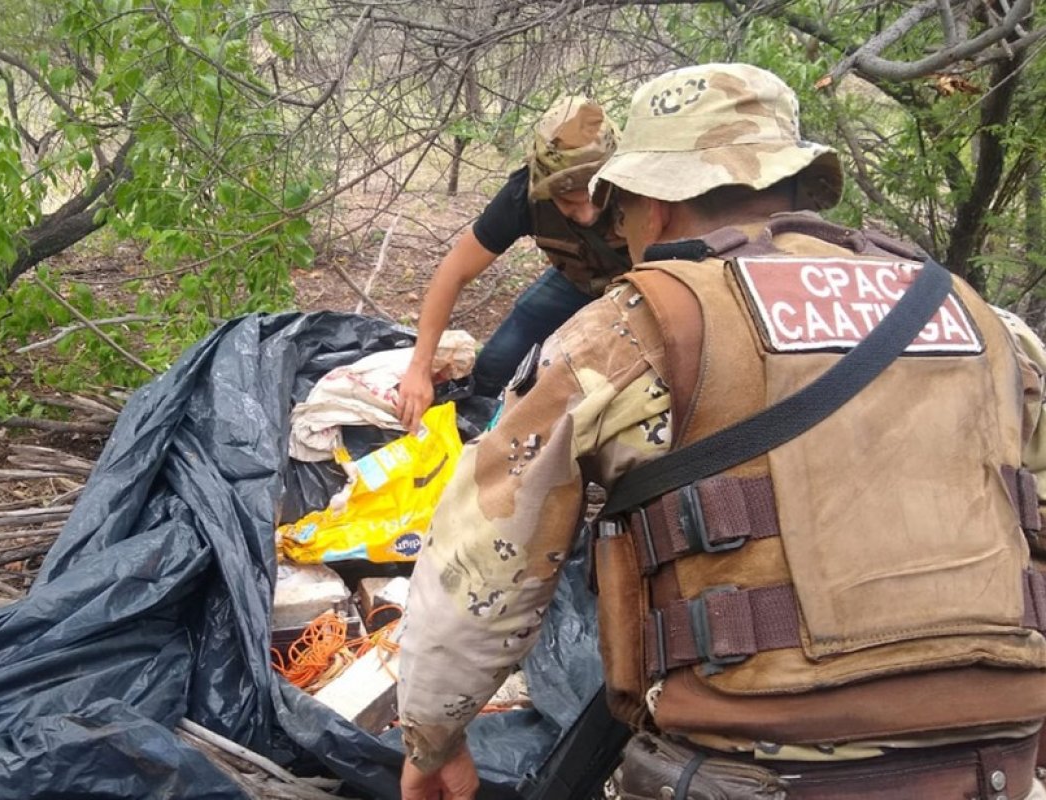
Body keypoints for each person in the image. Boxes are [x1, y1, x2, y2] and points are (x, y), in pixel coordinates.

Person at [396, 62, 1046, 800]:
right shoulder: (978, 319)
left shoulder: (634, 330)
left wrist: (432, 737)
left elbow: (483, 558)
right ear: (799, 186)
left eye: (621, 213)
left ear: (654, 208)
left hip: (750, 765)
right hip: (991, 760)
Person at [395, 95, 630, 431]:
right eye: (568, 202)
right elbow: (453, 272)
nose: (587, 214)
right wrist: (419, 368)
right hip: (576, 282)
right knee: (495, 367)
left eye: (594, 196)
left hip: (642, 291)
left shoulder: (644, 188)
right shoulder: (524, 197)